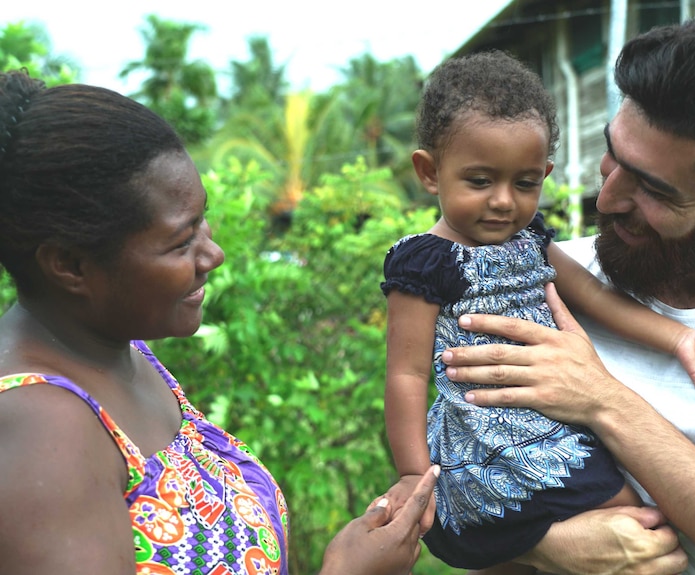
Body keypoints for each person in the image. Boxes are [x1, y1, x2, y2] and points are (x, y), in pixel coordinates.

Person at [439, 10, 695, 575]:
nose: (608, 198)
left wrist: (602, 399)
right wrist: (544, 545)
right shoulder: (533, 278)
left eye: (654, 188)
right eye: (615, 155)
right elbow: (442, 471)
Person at [0, 69, 439, 575]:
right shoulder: (39, 435)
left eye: (201, 220)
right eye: (181, 242)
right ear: (70, 265)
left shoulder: (122, 351)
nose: (214, 253)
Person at [378, 51, 695, 574]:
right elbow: (407, 376)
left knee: (640, 528)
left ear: (545, 173)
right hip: (489, 432)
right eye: (480, 181)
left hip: (559, 421)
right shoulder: (424, 264)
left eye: (525, 183)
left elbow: (595, 297)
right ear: (430, 172)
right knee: (630, 525)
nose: (504, 201)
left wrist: (679, 340)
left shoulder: (531, 241)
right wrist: (415, 474)